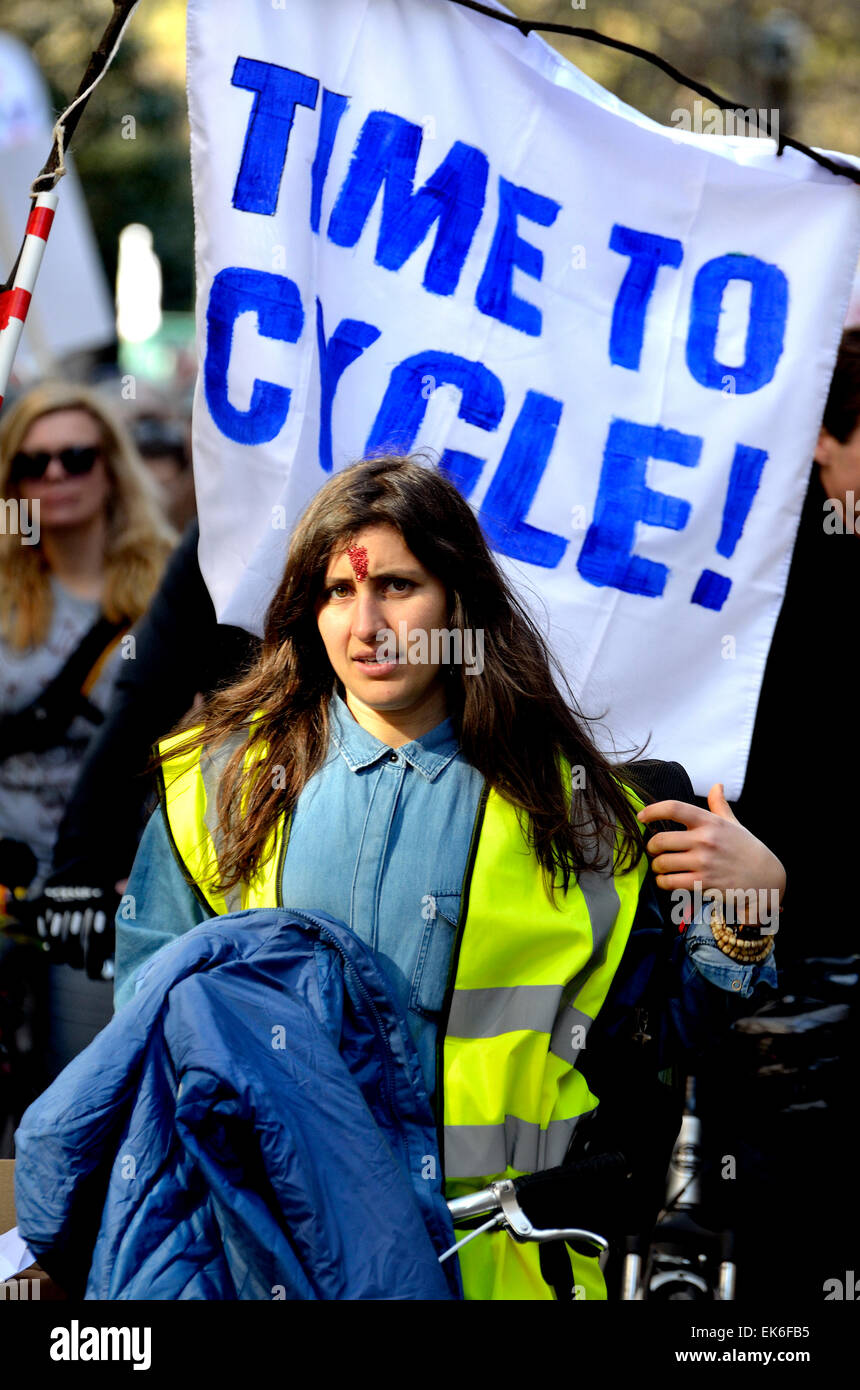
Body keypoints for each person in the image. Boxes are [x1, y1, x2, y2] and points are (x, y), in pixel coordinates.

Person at [114, 454, 784, 1301]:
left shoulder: (581, 813)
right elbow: (149, 1035)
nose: (367, 625)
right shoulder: (215, 787)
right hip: (269, 1259)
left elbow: (669, 1037)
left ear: (459, 600)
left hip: (497, 1270)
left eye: (397, 586)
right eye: (337, 593)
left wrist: (748, 905)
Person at [0, 380, 174, 1100]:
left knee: (87, 1099)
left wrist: (156, 875)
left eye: (76, 457)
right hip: (5, 880)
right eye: (33, 464)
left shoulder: (174, 587)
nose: (56, 477)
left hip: (107, 888)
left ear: (112, 467)